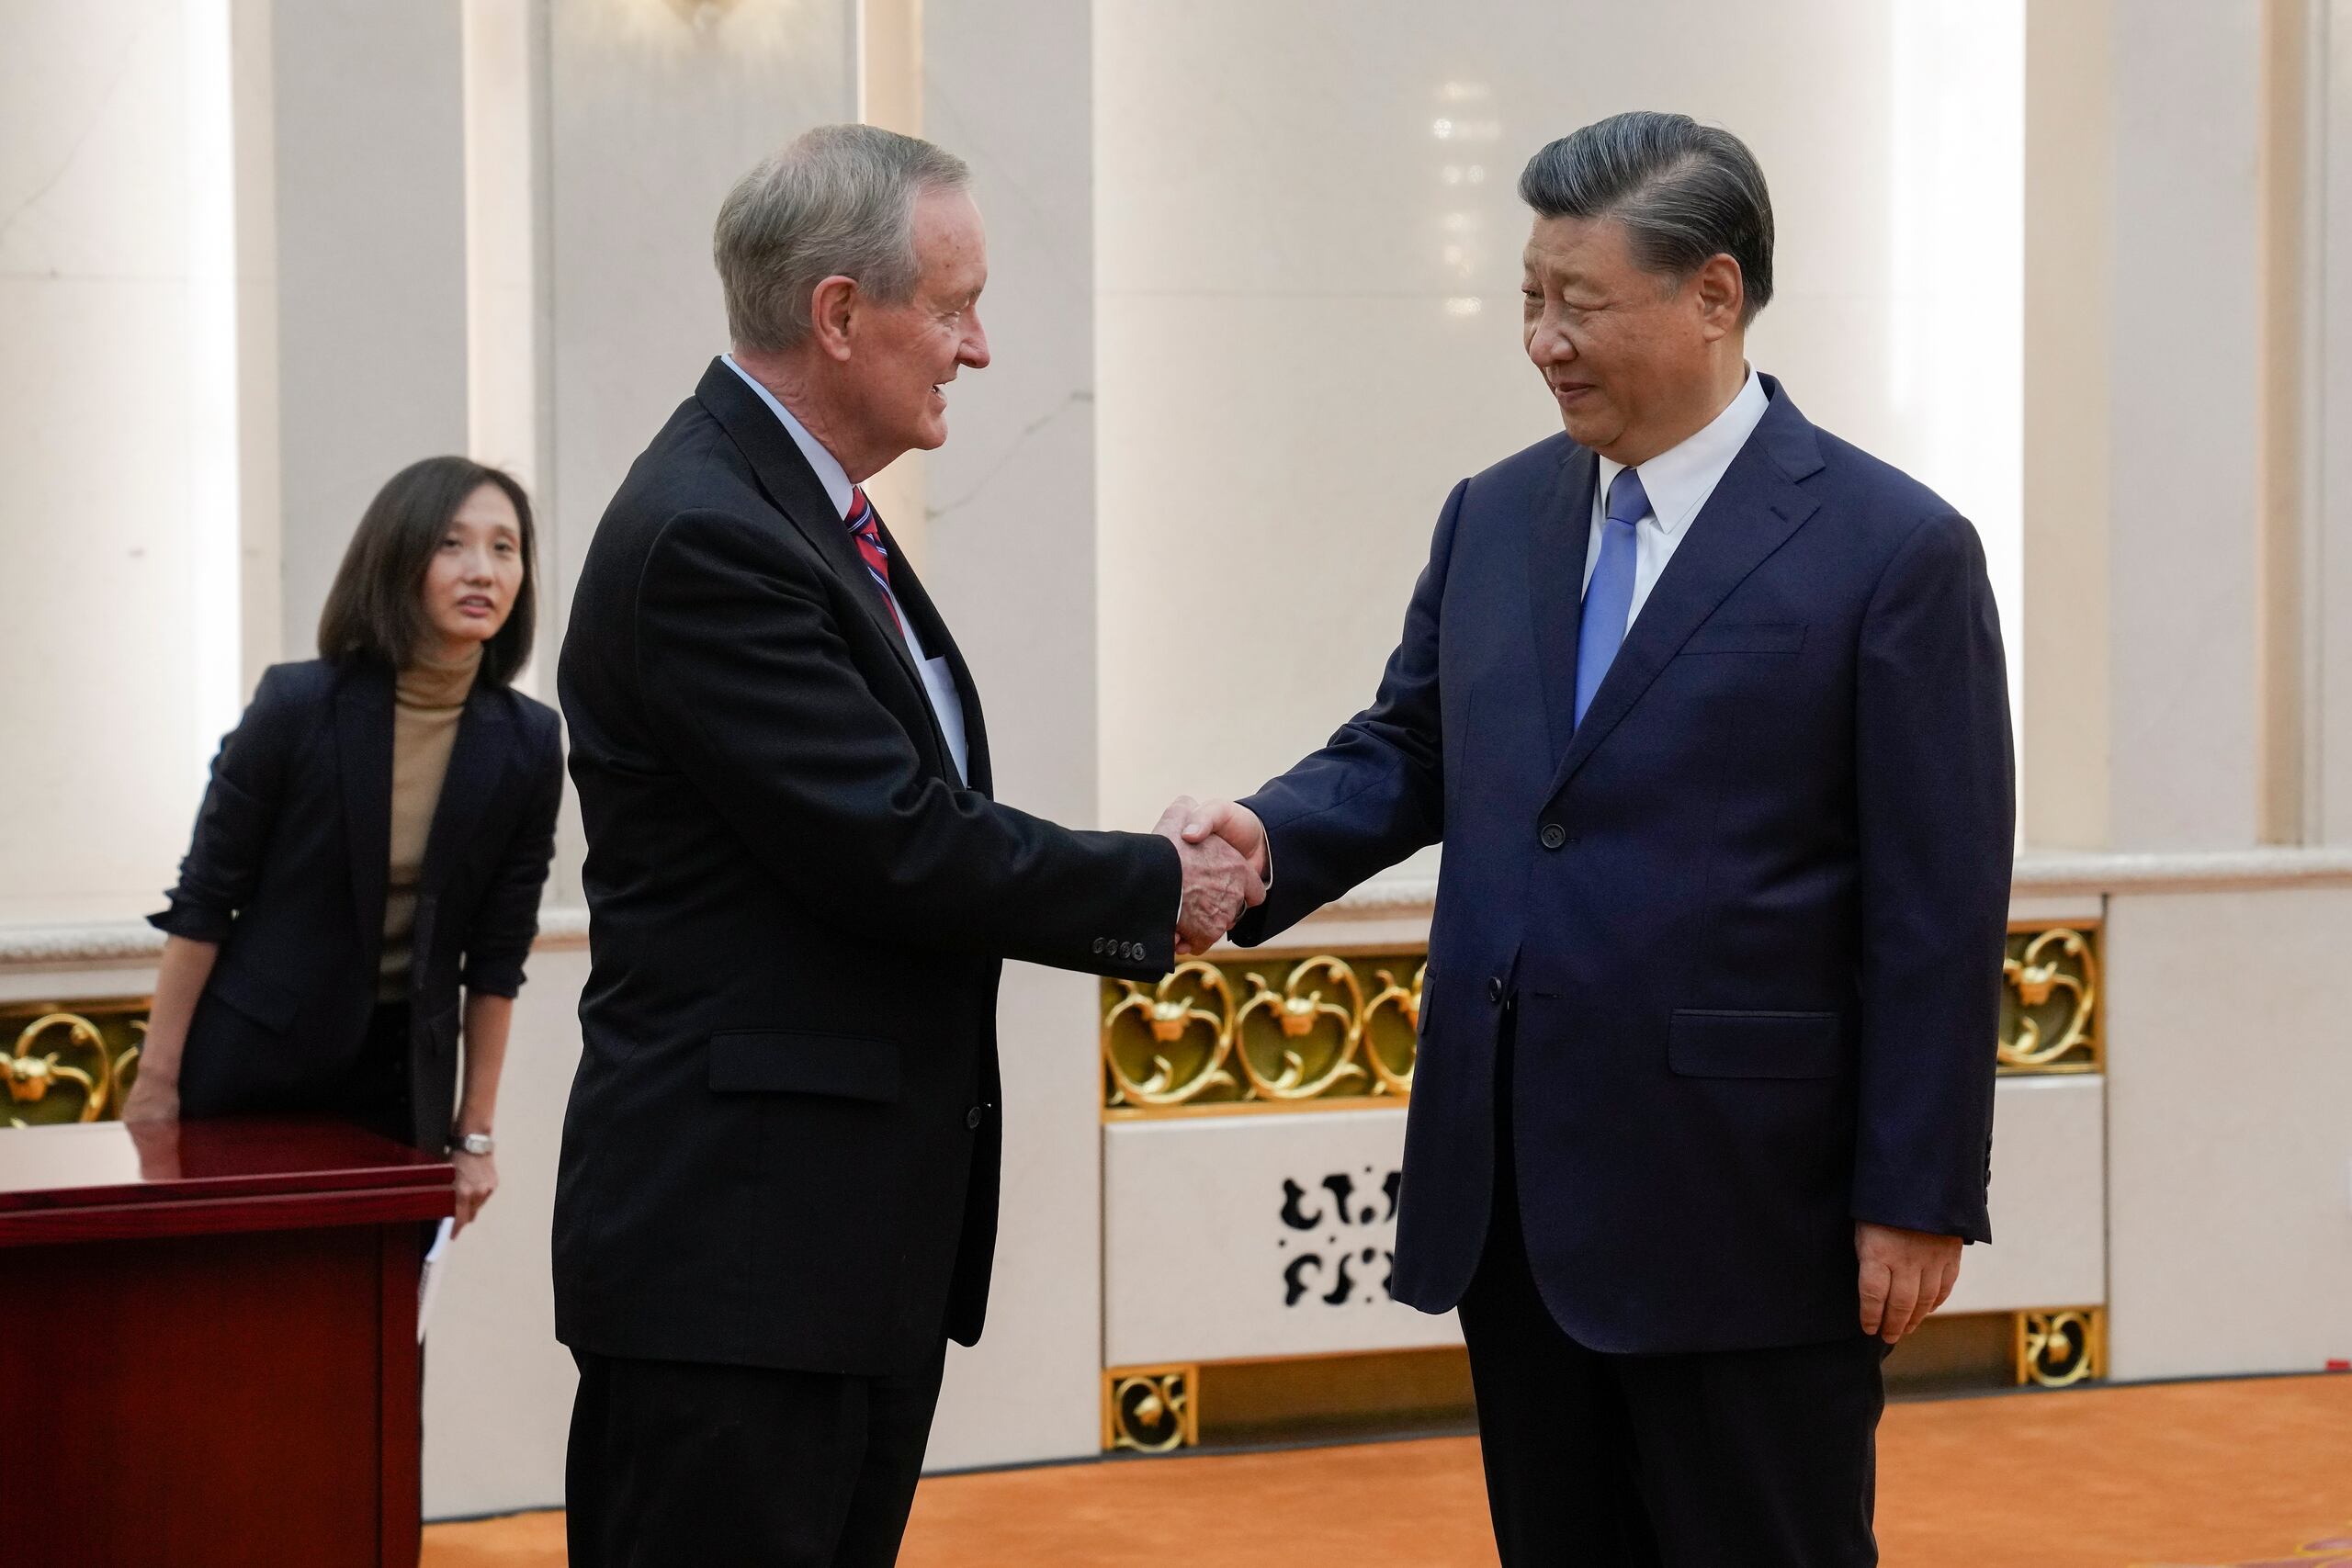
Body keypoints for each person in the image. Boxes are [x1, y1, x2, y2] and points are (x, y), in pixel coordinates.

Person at [1179, 112, 2015, 1565]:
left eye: (1579, 303)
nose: (1543, 339)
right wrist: (1268, 834)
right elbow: (1416, 744)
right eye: (1527, 298)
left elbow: (1937, 906)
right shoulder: (1494, 516)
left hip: (1757, 1212)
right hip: (1517, 1200)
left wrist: (1918, 1190)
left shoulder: (1895, 550)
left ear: (1714, 294)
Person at [553, 123, 1261, 1568]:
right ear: (837, 312)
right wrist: (1154, 885)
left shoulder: (792, 509)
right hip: (741, 1259)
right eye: (952, 307)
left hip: (826, 1252)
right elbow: (891, 840)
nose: (981, 347)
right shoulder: (711, 533)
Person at [125, 456, 563, 1242]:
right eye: (453, 544)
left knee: (379, 1346)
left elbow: (497, 957)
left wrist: (475, 1134)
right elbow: (203, 902)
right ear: (398, 559)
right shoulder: (297, 706)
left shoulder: (529, 743)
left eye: (505, 548)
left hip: (402, 1090)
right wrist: (156, 1085)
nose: (483, 570)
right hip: (255, 1074)